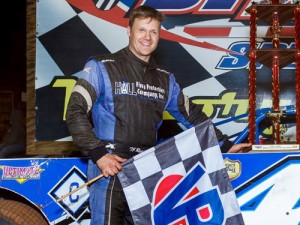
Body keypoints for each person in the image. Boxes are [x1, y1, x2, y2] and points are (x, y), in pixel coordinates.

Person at [66, 5, 251, 225]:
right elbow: (75, 110)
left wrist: (225, 145)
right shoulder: (101, 66)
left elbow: (193, 116)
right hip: (109, 168)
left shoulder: (165, 79)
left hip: (146, 171)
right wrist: (99, 154)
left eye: (153, 32)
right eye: (142, 30)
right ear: (129, 31)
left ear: (159, 35)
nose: (147, 37)